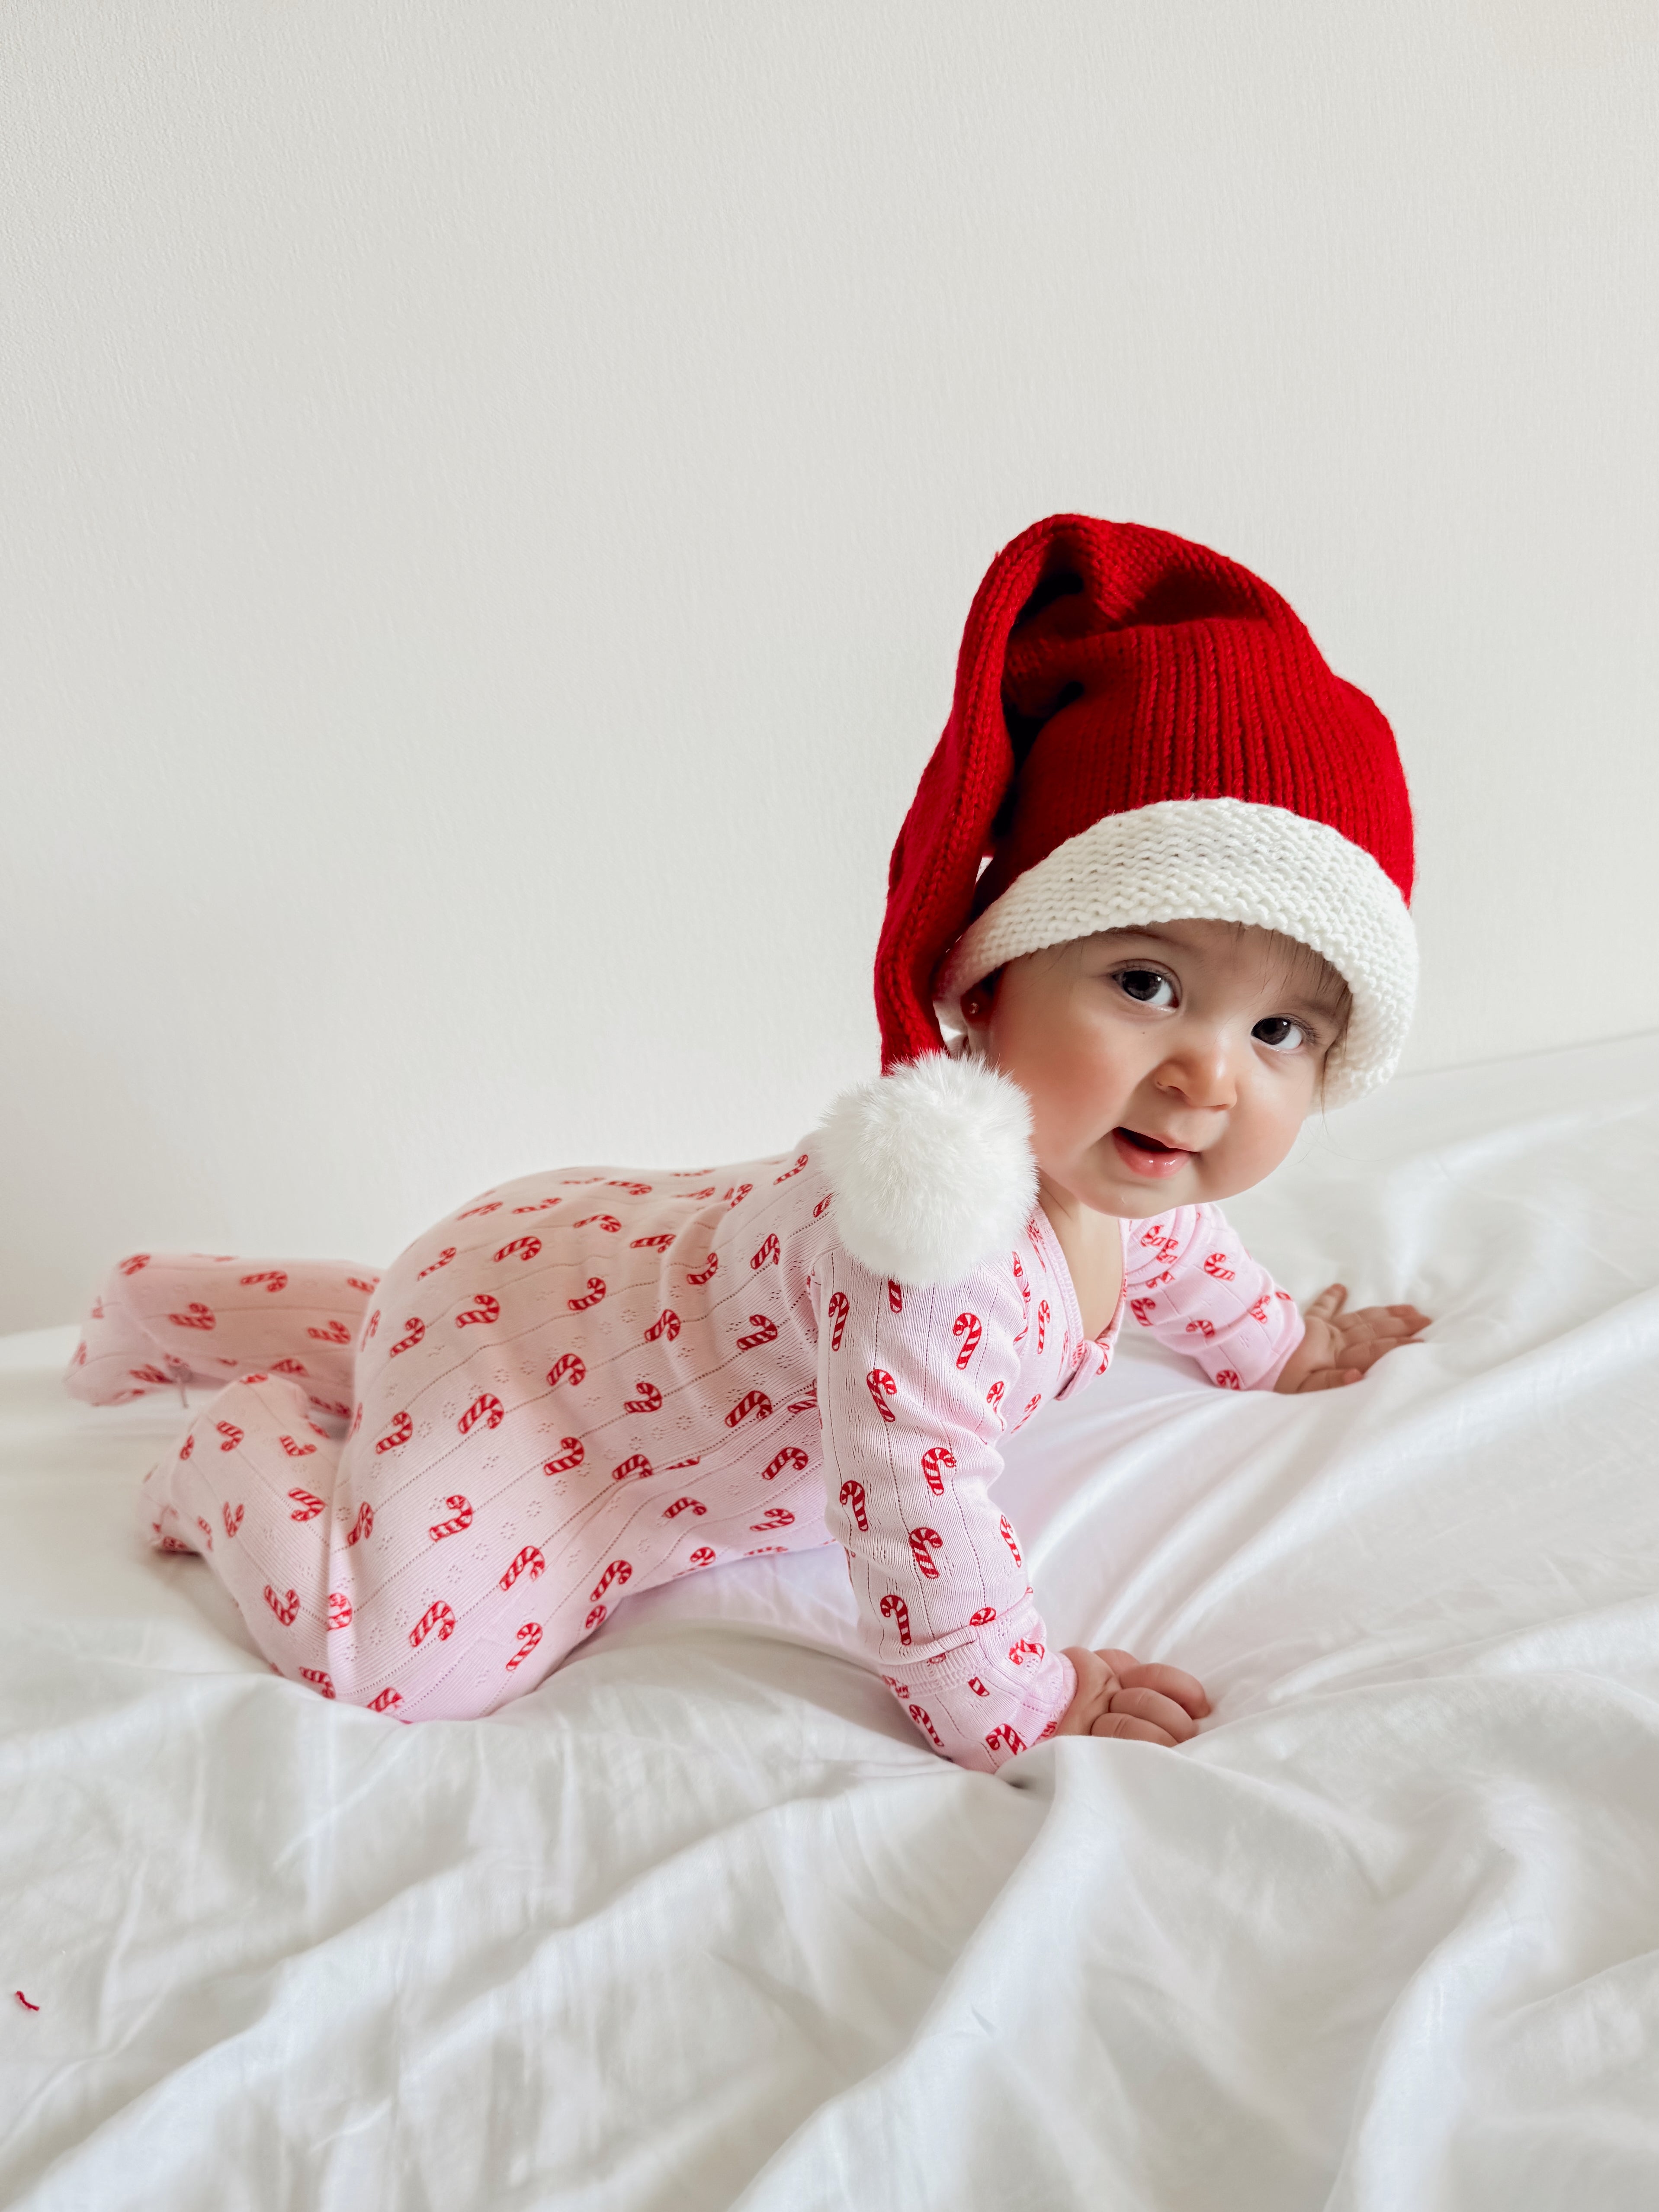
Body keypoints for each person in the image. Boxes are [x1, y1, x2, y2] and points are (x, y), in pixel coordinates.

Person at [64, 513, 1430, 1772]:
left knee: (415, 1335)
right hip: (561, 1399)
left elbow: (1180, 1250)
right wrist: (1025, 1697)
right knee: (398, 1663)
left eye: (1282, 1033)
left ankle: (168, 1300)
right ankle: (232, 1442)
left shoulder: (1109, 1165)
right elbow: (913, 1510)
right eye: (1145, 982)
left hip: (548, 1275)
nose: (1205, 1073)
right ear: (989, 980)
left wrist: (1281, 1348)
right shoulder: (933, 1251)